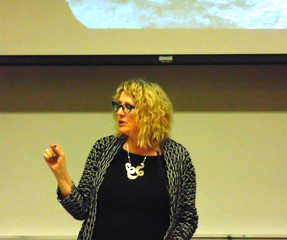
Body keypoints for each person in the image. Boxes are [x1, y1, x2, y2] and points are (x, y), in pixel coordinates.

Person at [43, 79, 198, 240]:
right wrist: (60, 173)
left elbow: (187, 218)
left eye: (128, 107)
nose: (119, 112)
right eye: (118, 105)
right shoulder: (103, 148)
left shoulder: (178, 157)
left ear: (150, 113)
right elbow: (81, 210)